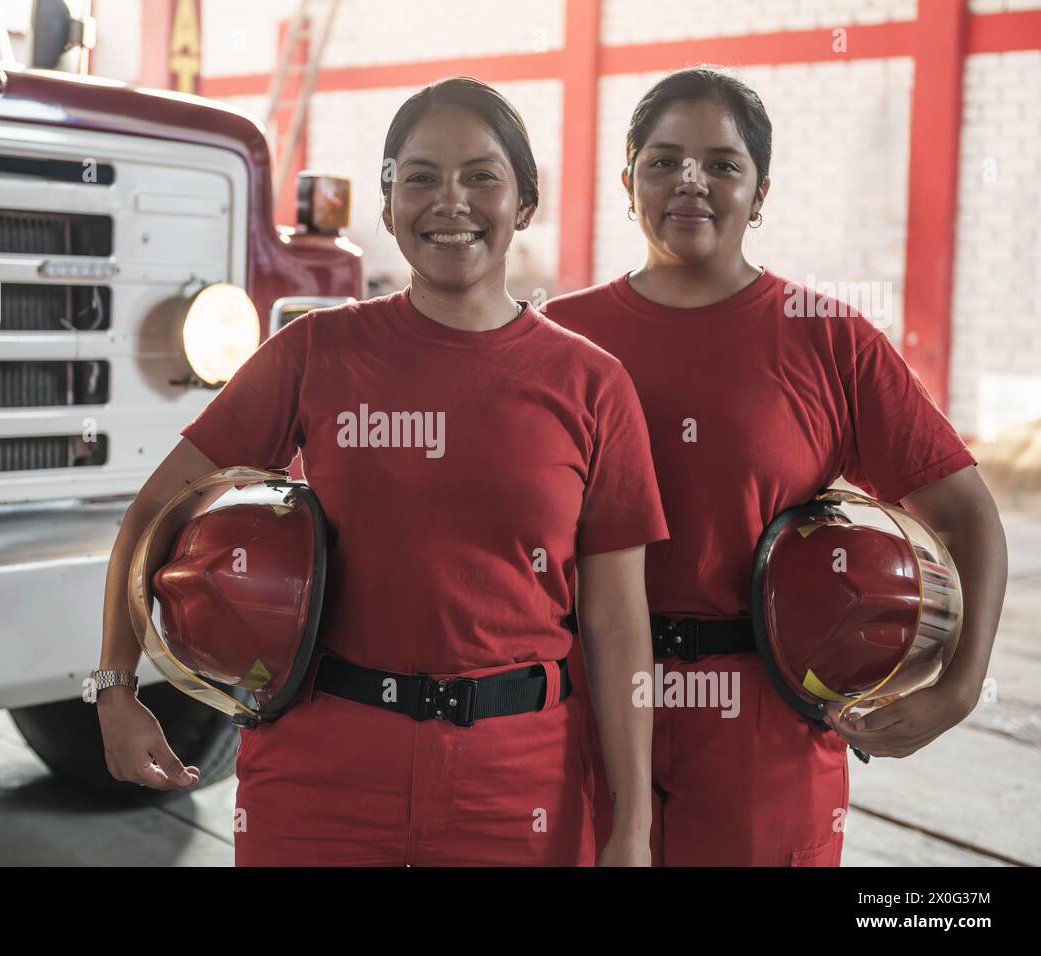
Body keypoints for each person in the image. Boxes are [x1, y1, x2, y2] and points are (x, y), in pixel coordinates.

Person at [94, 77, 670, 867]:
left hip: (517, 784)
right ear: (391, 202)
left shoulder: (592, 385)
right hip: (321, 774)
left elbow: (617, 625)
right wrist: (116, 688)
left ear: (525, 203)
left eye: (481, 177)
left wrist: (631, 828)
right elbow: (155, 512)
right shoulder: (315, 352)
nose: (450, 202)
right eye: (421, 177)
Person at [544, 67, 1008, 867]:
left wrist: (958, 689)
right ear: (628, 182)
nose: (691, 182)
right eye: (664, 161)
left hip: (765, 732)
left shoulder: (827, 337)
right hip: (577, 714)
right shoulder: (555, 338)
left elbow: (967, 514)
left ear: (760, 192)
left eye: (723, 164)